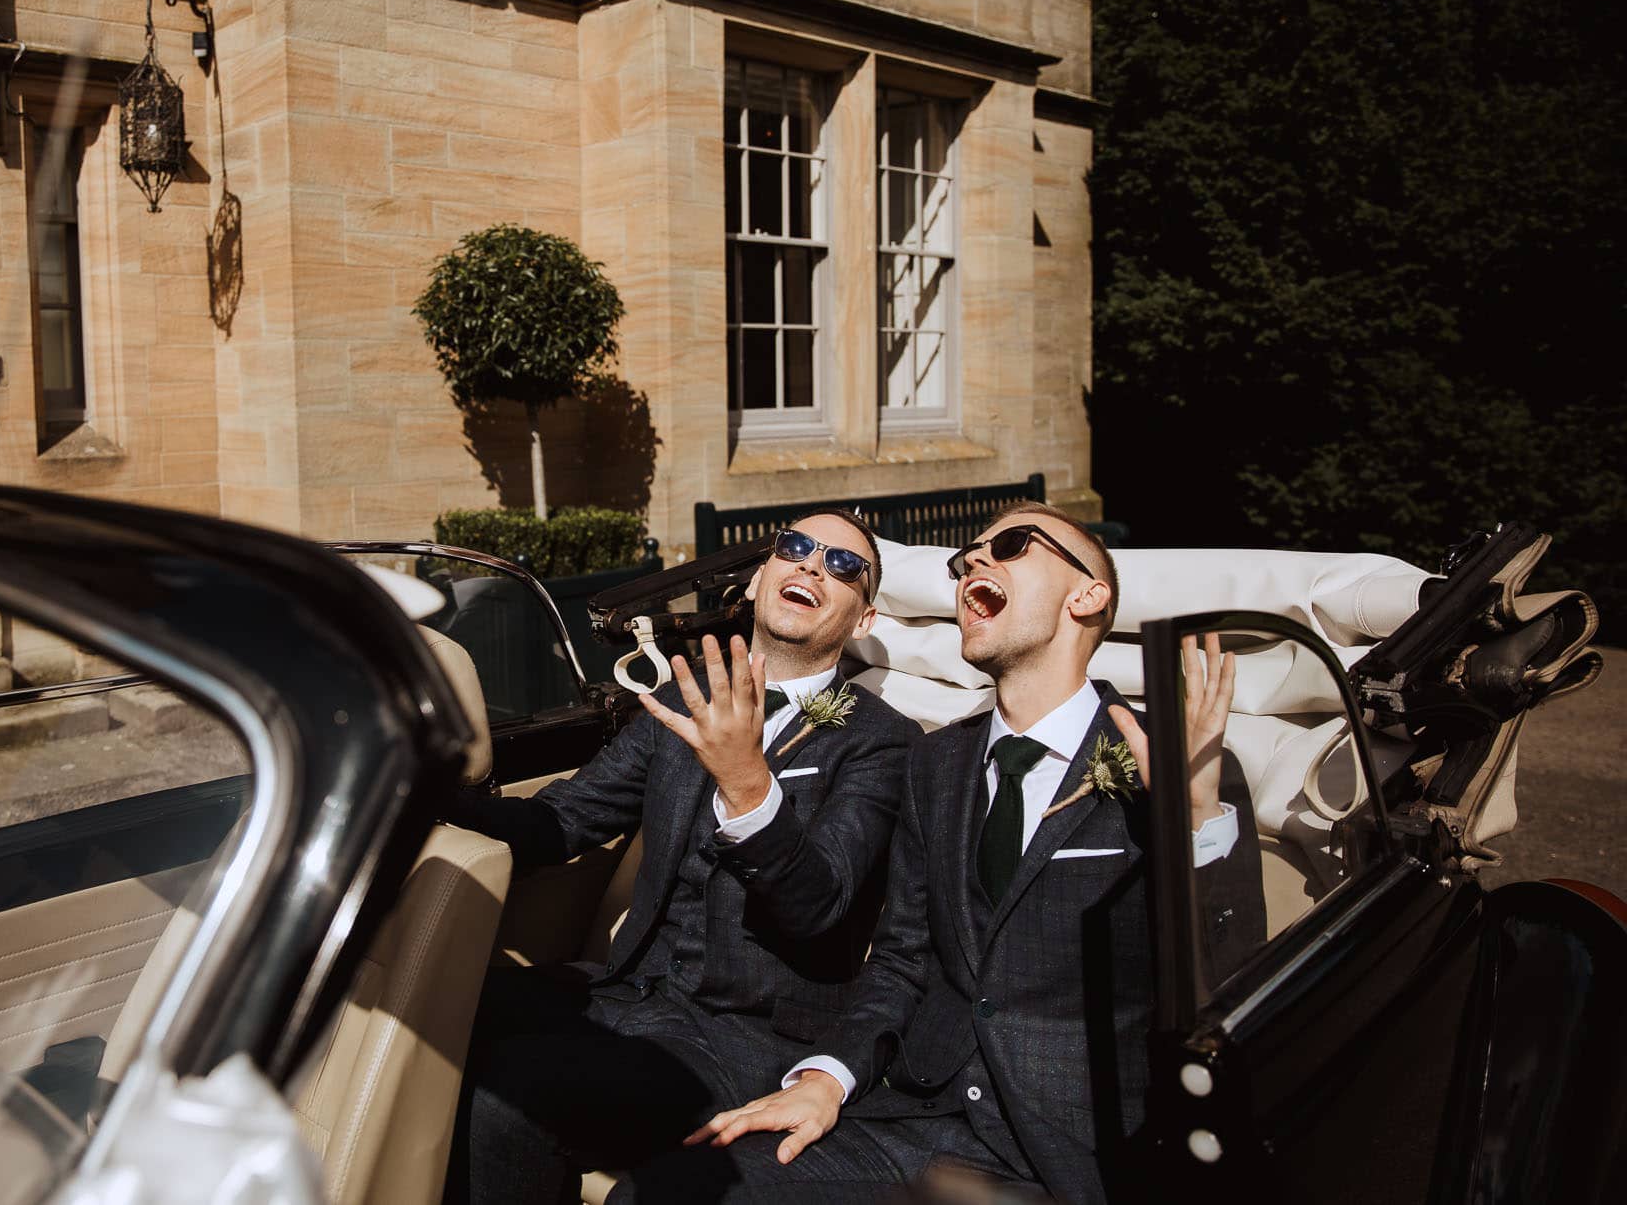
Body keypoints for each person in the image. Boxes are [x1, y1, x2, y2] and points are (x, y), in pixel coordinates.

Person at [621, 503, 1266, 1205]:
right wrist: (828, 1076)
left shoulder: (1172, 762)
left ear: (1088, 594)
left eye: (1011, 546)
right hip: (921, 1114)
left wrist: (1197, 821)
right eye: (966, 558)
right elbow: (902, 959)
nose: (974, 565)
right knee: (671, 1189)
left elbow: (1230, 1001)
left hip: (1084, 1151)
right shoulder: (939, 762)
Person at [444, 510, 922, 1205]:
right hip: (626, 991)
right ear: (761, 579)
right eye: (795, 547)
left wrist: (747, 779)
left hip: (743, 1039)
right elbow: (563, 819)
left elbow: (820, 901)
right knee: (438, 1003)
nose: (813, 565)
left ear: (861, 619)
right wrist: (423, 795)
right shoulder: (681, 698)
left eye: (844, 565)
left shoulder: (881, 742)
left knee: (512, 1099)